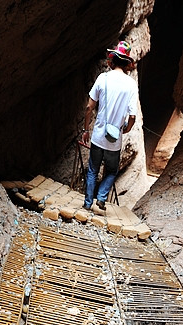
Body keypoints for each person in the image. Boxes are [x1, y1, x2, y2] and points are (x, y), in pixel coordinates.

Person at [82, 40, 138, 211]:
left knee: (93, 170)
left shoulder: (103, 78)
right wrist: (126, 129)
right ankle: (101, 198)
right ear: (126, 63)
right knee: (111, 172)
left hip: (99, 136)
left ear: (112, 60)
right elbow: (133, 116)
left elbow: (89, 107)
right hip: (114, 140)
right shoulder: (131, 85)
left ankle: (87, 203)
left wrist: (85, 129)